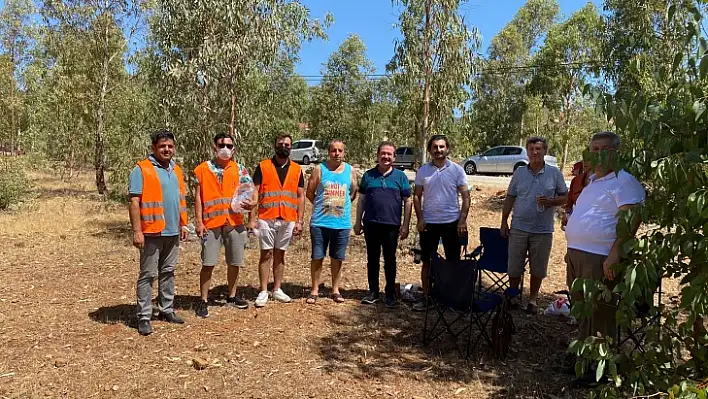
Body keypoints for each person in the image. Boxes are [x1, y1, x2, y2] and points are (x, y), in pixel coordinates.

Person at [564, 132, 645, 381]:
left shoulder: (624, 181)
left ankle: (598, 371)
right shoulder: (593, 181)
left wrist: (615, 253)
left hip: (600, 258)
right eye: (594, 149)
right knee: (581, 310)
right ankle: (583, 361)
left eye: (603, 149)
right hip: (577, 255)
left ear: (616, 152)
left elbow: (631, 219)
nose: (597, 154)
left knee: (600, 313)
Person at [128, 129, 188, 336]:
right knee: (148, 274)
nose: (167, 149)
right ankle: (144, 316)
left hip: (172, 231)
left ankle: (166, 309)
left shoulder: (176, 170)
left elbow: (180, 200)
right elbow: (134, 201)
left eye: (170, 146)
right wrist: (137, 231)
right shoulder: (141, 169)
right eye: (162, 146)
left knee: (168, 272)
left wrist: (184, 224)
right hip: (151, 231)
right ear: (154, 148)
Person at [500, 137, 568, 314]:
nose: (535, 152)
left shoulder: (554, 173)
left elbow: (566, 197)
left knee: (538, 267)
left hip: (543, 230)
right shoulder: (520, 172)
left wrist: (551, 202)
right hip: (519, 227)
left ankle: (532, 300)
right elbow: (510, 197)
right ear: (527, 152)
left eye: (538, 149)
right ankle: (513, 297)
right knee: (514, 265)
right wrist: (503, 221)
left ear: (545, 151)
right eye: (531, 149)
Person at [193, 132, 255, 318]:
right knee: (208, 262)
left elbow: (251, 191)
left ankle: (232, 295)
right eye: (221, 145)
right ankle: (203, 300)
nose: (225, 149)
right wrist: (198, 221)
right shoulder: (203, 169)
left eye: (229, 146)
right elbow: (198, 197)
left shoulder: (240, 169)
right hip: (211, 223)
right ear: (215, 147)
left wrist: (253, 205)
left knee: (235, 261)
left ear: (234, 149)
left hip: (234, 222)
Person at [412, 134, 471, 312]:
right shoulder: (423, 171)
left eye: (442, 147)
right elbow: (416, 196)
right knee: (427, 262)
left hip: (451, 223)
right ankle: (427, 297)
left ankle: (452, 299)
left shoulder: (457, 170)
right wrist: (420, 218)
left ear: (447, 149)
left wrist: (462, 220)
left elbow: (466, 196)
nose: (438, 150)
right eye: (435, 147)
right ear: (430, 150)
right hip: (429, 224)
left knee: (453, 262)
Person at [249, 133, 305, 308]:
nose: (284, 147)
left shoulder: (297, 169)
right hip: (267, 217)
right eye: (281, 144)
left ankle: (277, 288)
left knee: (280, 254)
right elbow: (254, 193)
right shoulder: (263, 166)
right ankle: (264, 290)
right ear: (275, 146)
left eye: (287, 145)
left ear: (291, 147)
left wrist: (299, 220)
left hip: (288, 218)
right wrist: (251, 219)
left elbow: (300, 196)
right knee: (266, 254)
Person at [354, 141, 413, 308]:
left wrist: (406, 225)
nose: (386, 156)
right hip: (371, 224)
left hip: (392, 225)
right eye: (383, 153)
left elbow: (408, 200)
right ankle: (373, 292)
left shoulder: (400, 177)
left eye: (389, 154)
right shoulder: (368, 175)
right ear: (378, 155)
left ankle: (389, 294)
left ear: (394, 157)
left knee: (390, 260)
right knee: (372, 259)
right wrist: (358, 221)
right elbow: (362, 200)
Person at [305, 139, 357, 304]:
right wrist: (322, 206)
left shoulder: (350, 171)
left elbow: (353, 192)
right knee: (317, 256)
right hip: (320, 223)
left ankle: (335, 290)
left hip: (341, 224)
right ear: (329, 152)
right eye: (334, 150)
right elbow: (309, 193)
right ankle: (314, 290)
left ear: (343, 152)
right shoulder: (319, 169)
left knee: (337, 258)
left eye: (340, 150)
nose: (337, 153)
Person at [562, 160, 591, 230]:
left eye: (588, 159)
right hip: (575, 225)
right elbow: (569, 202)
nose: (584, 162)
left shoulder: (602, 182)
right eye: (584, 159)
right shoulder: (576, 180)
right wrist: (567, 215)